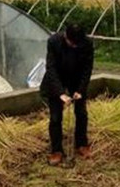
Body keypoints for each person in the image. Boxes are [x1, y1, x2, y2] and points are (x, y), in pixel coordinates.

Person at [40, 24, 94, 166]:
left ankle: (81, 144)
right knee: (55, 117)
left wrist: (80, 90)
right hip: (57, 79)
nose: (75, 46)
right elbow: (51, 69)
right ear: (66, 36)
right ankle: (57, 150)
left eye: (78, 44)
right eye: (72, 44)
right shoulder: (53, 42)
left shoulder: (87, 44)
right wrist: (60, 93)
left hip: (76, 79)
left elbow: (87, 69)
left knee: (81, 113)